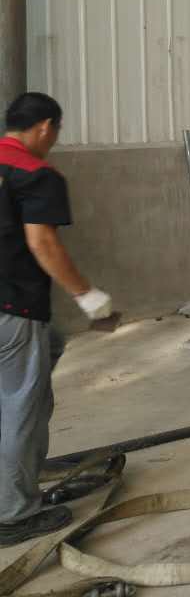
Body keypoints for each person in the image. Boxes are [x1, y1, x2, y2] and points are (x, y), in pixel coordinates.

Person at [0, 93, 113, 546]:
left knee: (47, 349)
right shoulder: (35, 173)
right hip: (13, 308)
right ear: (46, 126)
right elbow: (42, 243)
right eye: (56, 132)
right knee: (21, 408)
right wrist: (88, 296)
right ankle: (14, 515)